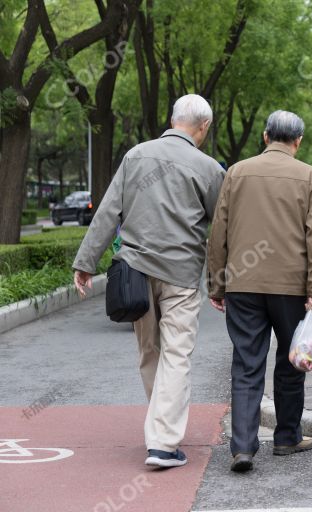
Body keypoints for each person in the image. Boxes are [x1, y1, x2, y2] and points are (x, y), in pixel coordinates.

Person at [72, 94, 225, 468]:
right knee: (177, 354)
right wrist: (222, 278)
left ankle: (160, 433)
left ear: (173, 119)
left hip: (135, 273)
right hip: (181, 274)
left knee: (149, 351)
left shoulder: (135, 155)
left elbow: (110, 210)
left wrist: (86, 262)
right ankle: (163, 442)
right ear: (203, 127)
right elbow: (222, 228)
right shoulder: (208, 168)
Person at [207, 110, 312, 473]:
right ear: (298, 141)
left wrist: (217, 283)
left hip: (243, 284)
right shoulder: (310, 176)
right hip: (291, 287)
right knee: (292, 361)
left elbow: (219, 232)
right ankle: (286, 436)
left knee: (246, 363)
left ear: (264, 137)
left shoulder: (237, 173)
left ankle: (243, 446)